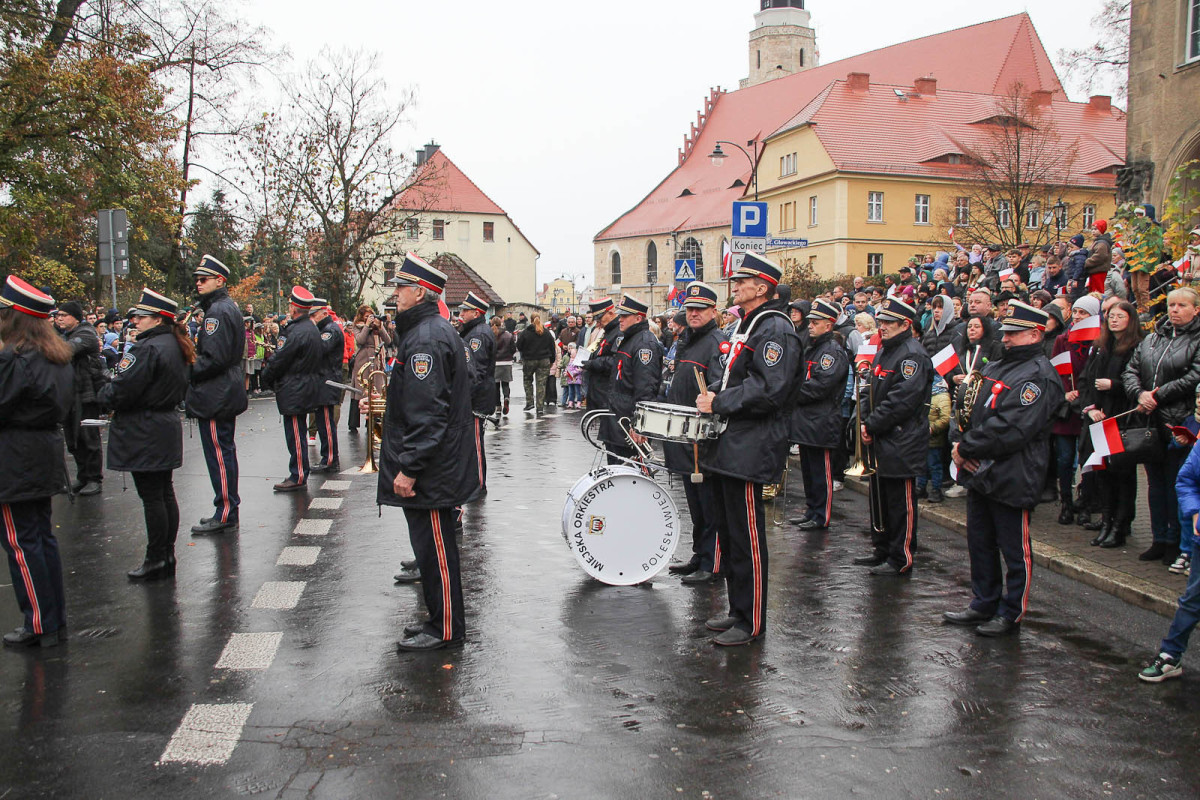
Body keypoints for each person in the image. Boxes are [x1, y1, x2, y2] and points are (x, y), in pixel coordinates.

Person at [375, 255, 479, 652]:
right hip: (434, 466)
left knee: (436, 552)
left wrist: (410, 467)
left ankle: (446, 628)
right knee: (430, 551)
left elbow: (428, 412)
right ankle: (438, 620)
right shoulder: (425, 332)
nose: (396, 294)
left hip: (432, 470)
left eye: (401, 287)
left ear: (420, 292)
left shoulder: (426, 339)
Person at [696, 253, 800, 646]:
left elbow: (769, 388)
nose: (735, 286)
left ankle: (752, 620)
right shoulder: (750, 324)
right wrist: (715, 393)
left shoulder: (775, 329)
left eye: (742, 281)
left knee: (748, 536)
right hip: (732, 441)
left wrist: (719, 402)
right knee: (730, 532)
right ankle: (738, 609)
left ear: (762, 287)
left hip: (752, 443)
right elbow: (737, 378)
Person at [945, 301, 1064, 636]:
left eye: (1014, 333)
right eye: (1006, 331)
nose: (1005, 338)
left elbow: (1013, 428)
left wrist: (966, 448)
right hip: (980, 468)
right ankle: (983, 602)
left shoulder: (1038, 376)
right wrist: (959, 442)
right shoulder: (998, 365)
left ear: (1035, 335)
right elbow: (967, 408)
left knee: (1014, 550)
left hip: (1014, 472)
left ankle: (1011, 613)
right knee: (980, 542)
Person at [96, 289, 192, 580]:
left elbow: (123, 389)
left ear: (158, 319)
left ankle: (156, 557)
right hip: (163, 423)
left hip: (144, 426)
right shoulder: (174, 343)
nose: (135, 321)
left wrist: (104, 393)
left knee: (153, 496)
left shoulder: (146, 349)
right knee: (164, 493)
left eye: (141, 316)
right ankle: (166, 555)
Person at [0, 277, 73, 648]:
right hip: (42, 450)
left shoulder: (15, 358)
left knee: (20, 541)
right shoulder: (54, 354)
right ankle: (53, 617)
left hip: (15, 455)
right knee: (41, 537)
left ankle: (38, 622)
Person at [854, 297, 933, 576]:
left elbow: (902, 401)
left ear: (905, 324)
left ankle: (901, 557)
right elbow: (870, 390)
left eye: (889, 322)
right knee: (880, 499)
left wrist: (872, 424)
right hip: (881, 436)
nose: (883, 327)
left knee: (901, 503)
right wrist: (864, 421)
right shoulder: (885, 351)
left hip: (902, 439)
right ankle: (883, 549)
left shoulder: (913, 355)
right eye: (881, 321)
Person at [1123, 286, 1200, 566]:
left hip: (1179, 422)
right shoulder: (1153, 337)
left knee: (1175, 484)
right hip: (1149, 422)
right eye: (1171, 305)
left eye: (1182, 305)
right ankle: (1158, 538)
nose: (1175, 310)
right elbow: (1131, 369)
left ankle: (1176, 542)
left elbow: (1194, 376)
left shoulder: (1197, 340)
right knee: (1155, 485)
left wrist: (1157, 395)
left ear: (1196, 309)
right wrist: (1140, 394)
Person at [662, 282, 728, 584]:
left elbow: (719, 385)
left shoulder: (717, 342)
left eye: (700, 309)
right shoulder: (688, 339)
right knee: (695, 502)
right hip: (685, 433)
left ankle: (713, 562)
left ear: (713, 311)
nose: (693, 314)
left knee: (709, 502)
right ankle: (700, 554)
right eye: (689, 309)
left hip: (703, 435)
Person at [186, 255, 249, 535]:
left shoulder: (217, 312)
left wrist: (187, 369)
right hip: (222, 389)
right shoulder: (224, 307)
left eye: (204, 279)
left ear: (220, 280)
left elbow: (214, 358)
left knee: (220, 455)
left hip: (216, 392)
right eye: (197, 280)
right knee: (223, 451)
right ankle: (226, 508)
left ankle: (225, 511)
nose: (198, 284)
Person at [1080, 300, 1143, 548]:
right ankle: (1107, 521)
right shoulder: (1101, 347)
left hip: (1122, 418)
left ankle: (1120, 525)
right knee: (1103, 471)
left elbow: (1139, 382)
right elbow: (1086, 380)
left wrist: (1114, 385)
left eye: (1120, 316)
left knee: (1122, 474)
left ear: (1130, 320)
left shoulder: (1136, 347)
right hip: (1100, 419)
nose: (1114, 320)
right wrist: (1091, 408)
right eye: (1111, 316)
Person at [789, 299, 850, 530]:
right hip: (806, 419)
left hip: (822, 420)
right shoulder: (812, 348)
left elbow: (821, 386)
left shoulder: (832, 351)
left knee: (820, 471)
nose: (811, 326)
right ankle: (811, 509)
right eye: (810, 322)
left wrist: (792, 392)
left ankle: (821, 514)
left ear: (829, 325)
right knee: (808, 470)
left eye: (816, 322)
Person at [260, 286, 324, 492]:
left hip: (295, 387)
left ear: (294, 308)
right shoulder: (311, 328)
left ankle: (298, 474)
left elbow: (280, 359)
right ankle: (299, 472)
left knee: (295, 435)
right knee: (298, 432)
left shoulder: (295, 331)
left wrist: (266, 377)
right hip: (304, 385)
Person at [54, 300, 106, 496]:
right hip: (70, 394)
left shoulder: (86, 334)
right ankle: (83, 477)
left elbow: (65, 351)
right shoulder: (64, 334)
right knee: (73, 438)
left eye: (64, 315)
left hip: (86, 394)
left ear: (75, 318)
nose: (59, 319)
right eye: (58, 315)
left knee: (88, 437)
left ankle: (94, 478)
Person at [608, 294, 663, 462]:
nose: (620, 319)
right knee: (616, 470)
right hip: (619, 420)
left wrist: (639, 424)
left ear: (638, 318)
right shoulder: (630, 338)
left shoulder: (644, 344)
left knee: (631, 471)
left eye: (625, 316)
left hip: (629, 423)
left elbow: (646, 387)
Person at [459, 291, 495, 489]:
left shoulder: (478, 335)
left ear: (476, 313)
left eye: (465, 311)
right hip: (476, 397)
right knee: (471, 443)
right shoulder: (475, 331)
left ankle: (478, 484)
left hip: (476, 399)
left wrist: (466, 397)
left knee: (476, 444)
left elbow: (476, 371)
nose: (461, 314)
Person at [583, 297, 623, 452]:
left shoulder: (617, 332)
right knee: (607, 440)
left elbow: (616, 361)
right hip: (601, 394)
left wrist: (593, 364)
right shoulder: (608, 332)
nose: (598, 322)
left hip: (608, 394)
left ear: (611, 313)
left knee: (613, 442)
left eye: (600, 318)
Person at [348, 305, 392, 433]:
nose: (369, 318)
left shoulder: (377, 327)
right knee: (359, 391)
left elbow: (388, 340)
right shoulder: (357, 326)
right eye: (366, 316)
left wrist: (380, 327)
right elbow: (360, 340)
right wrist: (367, 326)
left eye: (371, 316)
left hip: (376, 360)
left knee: (375, 391)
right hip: (362, 361)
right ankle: (353, 423)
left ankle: (372, 421)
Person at [516, 313, 555, 416]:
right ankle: (540, 406)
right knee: (541, 383)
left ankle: (529, 402)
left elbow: (519, 346)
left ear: (530, 319)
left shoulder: (525, 332)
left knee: (527, 381)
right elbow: (552, 347)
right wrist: (552, 360)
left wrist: (525, 351)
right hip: (544, 360)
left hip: (529, 360)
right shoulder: (546, 332)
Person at [493, 315, 515, 415]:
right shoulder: (508, 335)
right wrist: (510, 356)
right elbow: (513, 349)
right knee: (506, 383)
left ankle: (498, 406)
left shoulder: (491, 335)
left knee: (496, 386)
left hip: (495, 363)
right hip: (507, 362)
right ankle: (506, 397)